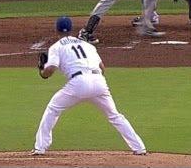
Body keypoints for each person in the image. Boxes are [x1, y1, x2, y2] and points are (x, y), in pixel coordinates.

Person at [32, 16, 147, 156]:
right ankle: (139, 147)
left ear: (56, 30)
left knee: (53, 109)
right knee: (115, 116)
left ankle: (40, 147)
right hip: (98, 81)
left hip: (78, 83)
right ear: (71, 29)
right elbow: (102, 68)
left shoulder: (56, 47)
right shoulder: (87, 45)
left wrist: (42, 71)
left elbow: (50, 70)